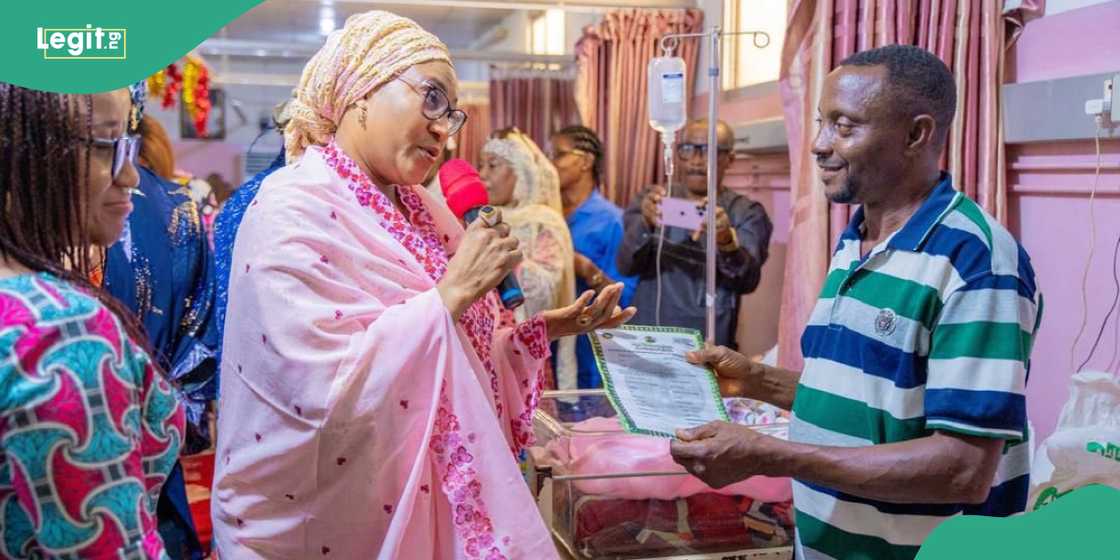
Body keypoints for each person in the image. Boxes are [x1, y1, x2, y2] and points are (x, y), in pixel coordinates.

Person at [210, 12, 634, 558]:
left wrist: (542, 329)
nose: (444, 128)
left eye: (451, 112)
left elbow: (453, 346)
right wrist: (451, 294)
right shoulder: (291, 207)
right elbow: (311, 386)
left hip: (427, 491)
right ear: (361, 89)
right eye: (430, 98)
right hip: (339, 514)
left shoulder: (423, 209)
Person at [668, 45, 1042, 559]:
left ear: (916, 134)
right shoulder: (856, 241)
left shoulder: (976, 262)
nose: (820, 145)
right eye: (822, 122)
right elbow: (870, 404)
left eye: (844, 126)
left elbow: (962, 469)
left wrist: (774, 456)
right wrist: (754, 381)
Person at [0, 84, 185, 557]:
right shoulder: (60, 332)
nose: (130, 175)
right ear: (21, 150)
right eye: (107, 145)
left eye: (131, 144)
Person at [104, 94, 219, 558]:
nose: (126, 176)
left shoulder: (177, 210)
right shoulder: (175, 207)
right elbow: (199, 351)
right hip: (153, 483)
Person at [618, 118, 773, 347]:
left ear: (729, 159)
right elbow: (625, 265)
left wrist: (726, 242)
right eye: (688, 149)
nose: (697, 161)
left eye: (709, 151)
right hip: (647, 339)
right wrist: (645, 223)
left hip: (704, 344)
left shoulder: (745, 213)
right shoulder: (654, 200)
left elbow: (747, 282)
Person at [480, 127, 578, 391]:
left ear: (521, 172)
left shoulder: (542, 222)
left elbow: (547, 292)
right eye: (481, 165)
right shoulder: (482, 218)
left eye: (493, 165)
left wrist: (508, 260)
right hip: (481, 348)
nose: (483, 175)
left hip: (523, 351)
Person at [549, 125, 637, 388]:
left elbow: (624, 299)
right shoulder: (548, 215)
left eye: (558, 155)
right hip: (547, 347)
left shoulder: (612, 221)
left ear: (585, 161)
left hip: (588, 356)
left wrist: (586, 269)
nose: (550, 163)